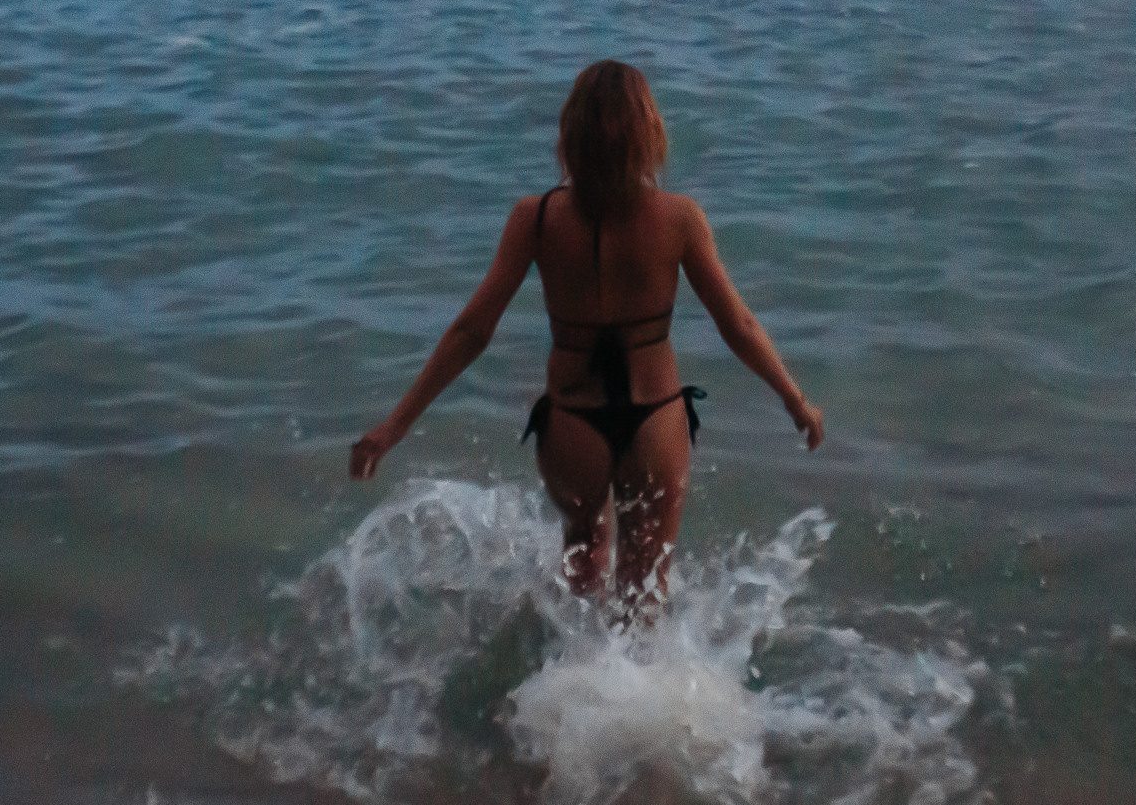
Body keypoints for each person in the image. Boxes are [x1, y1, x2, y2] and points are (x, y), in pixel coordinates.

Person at [350, 60, 824, 604]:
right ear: (649, 133)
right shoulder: (679, 219)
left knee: (582, 576)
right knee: (644, 592)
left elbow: (471, 331)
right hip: (655, 420)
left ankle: (569, 660)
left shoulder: (535, 218)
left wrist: (393, 427)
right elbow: (738, 325)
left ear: (570, 133)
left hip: (572, 425)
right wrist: (796, 401)